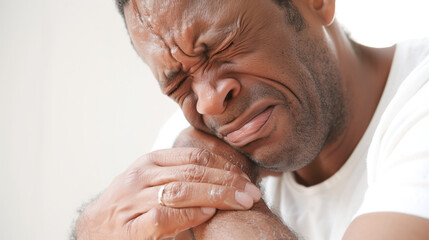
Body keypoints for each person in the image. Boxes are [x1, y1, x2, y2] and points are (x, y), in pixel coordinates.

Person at [73, 0, 429, 239]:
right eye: (179, 84)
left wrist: (225, 209)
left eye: (224, 44)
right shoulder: (190, 149)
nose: (210, 102)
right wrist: (88, 231)